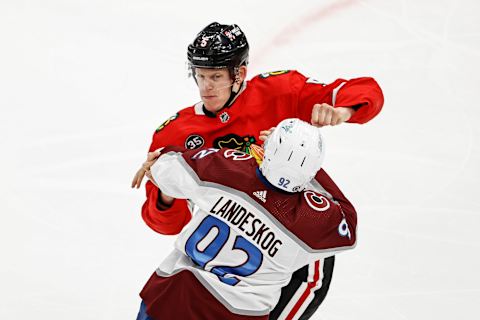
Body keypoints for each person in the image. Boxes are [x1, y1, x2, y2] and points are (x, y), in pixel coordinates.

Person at [132, 22, 383, 319]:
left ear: (239, 74)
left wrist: (342, 110)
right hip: (235, 241)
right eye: (200, 75)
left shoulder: (279, 91)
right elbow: (164, 224)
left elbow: (367, 90)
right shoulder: (175, 133)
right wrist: (165, 192)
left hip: (292, 231)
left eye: (215, 77)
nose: (205, 87)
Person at [137, 119, 357, 320]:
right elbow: (348, 221)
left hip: (170, 298)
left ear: (268, 150)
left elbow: (165, 167)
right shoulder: (311, 218)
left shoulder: (227, 166)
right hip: (237, 314)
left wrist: (162, 156)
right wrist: (312, 168)